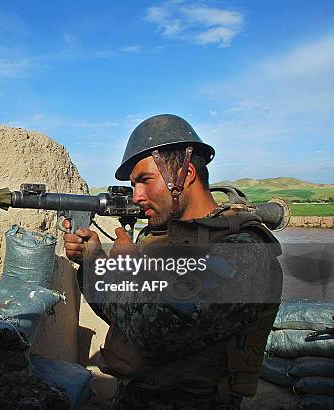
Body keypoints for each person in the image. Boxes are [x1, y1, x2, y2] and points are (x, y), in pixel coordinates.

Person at [63, 114, 283, 409]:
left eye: (145, 180)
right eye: (133, 184)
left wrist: (125, 271)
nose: (137, 196)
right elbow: (122, 316)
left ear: (186, 174)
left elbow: (156, 332)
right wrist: (92, 262)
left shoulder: (244, 251)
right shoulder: (159, 238)